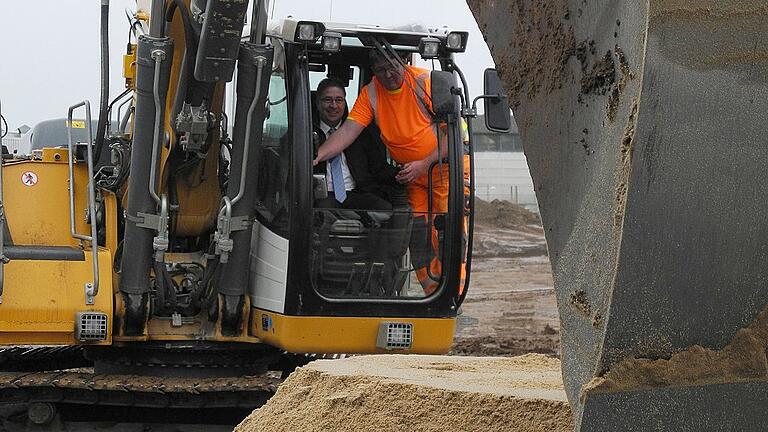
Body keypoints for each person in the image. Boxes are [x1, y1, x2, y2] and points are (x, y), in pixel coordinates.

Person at [314, 51, 456, 295]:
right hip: (413, 178)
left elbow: (453, 139)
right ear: (317, 102)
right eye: (380, 69)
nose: (388, 74)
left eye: (393, 67)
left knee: (449, 233)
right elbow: (348, 132)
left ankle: (446, 295)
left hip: (441, 172)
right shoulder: (369, 95)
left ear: (404, 63)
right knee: (420, 235)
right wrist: (314, 157)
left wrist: (411, 169)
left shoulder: (427, 84)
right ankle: (433, 291)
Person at [312, 77, 399, 211]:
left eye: (339, 100)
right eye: (327, 100)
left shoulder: (362, 135)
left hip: (356, 193)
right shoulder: (305, 134)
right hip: (320, 196)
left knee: (384, 209)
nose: (334, 106)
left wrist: (403, 174)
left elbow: (379, 168)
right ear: (317, 104)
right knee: (322, 210)